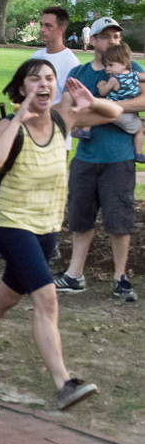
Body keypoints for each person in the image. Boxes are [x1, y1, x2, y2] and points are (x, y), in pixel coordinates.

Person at [0, 59, 121, 410]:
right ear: (21, 89)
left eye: (49, 79)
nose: (43, 84)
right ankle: (64, 382)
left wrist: (91, 101)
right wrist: (18, 118)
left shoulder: (64, 120)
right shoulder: (9, 127)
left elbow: (114, 113)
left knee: (9, 294)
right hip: (11, 224)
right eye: (35, 79)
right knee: (46, 298)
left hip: (46, 227)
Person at [53, 17, 145, 302]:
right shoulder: (79, 71)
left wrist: (107, 107)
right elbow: (71, 114)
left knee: (119, 220)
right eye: (105, 36)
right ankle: (74, 275)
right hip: (85, 158)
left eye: (116, 36)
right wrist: (112, 112)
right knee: (80, 218)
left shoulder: (133, 67)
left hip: (119, 157)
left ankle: (121, 278)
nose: (113, 41)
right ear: (92, 41)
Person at [97, 43, 144, 163]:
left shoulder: (114, 79)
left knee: (95, 105)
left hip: (114, 111)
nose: (107, 69)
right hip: (130, 114)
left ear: (123, 64)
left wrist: (101, 84)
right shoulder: (134, 75)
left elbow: (103, 92)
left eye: (111, 65)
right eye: (106, 65)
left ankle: (85, 130)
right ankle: (139, 153)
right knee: (139, 131)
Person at [31, 7, 80, 105]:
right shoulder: (36, 56)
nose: (42, 29)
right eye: (41, 25)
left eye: (48, 26)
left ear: (61, 29)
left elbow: (70, 102)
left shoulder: (70, 62)